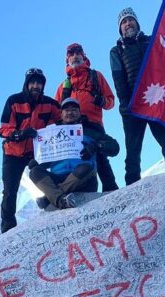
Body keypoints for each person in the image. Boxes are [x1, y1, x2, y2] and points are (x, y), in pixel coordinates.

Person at [110, 4, 165, 185]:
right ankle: (132, 189)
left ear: (137, 23)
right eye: (124, 22)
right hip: (132, 106)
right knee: (133, 153)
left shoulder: (153, 42)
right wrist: (125, 105)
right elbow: (118, 78)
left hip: (156, 100)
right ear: (120, 28)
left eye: (130, 19)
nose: (128, 23)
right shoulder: (116, 51)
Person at [0, 68, 61, 233]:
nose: (36, 86)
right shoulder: (13, 101)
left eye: (39, 83)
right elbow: (3, 129)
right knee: (10, 191)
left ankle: (49, 203)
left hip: (37, 152)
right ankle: (8, 229)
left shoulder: (50, 104)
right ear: (26, 84)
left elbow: (63, 119)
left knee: (50, 177)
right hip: (13, 153)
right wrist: (19, 134)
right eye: (32, 82)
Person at [28, 98, 120, 209]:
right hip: (57, 178)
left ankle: (51, 198)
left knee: (86, 167)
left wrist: (97, 145)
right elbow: (45, 160)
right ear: (61, 114)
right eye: (66, 110)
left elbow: (115, 147)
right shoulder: (51, 134)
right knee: (34, 172)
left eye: (74, 109)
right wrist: (37, 163)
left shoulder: (91, 130)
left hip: (83, 179)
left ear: (80, 113)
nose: (70, 112)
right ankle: (61, 200)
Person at [55, 43, 120, 192]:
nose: (75, 56)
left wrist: (102, 101)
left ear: (84, 56)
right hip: (71, 130)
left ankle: (111, 191)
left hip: (93, 125)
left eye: (78, 53)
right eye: (71, 54)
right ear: (67, 60)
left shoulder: (95, 76)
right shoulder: (63, 87)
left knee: (100, 156)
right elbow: (55, 112)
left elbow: (110, 101)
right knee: (77, 159)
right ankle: (79, 191)